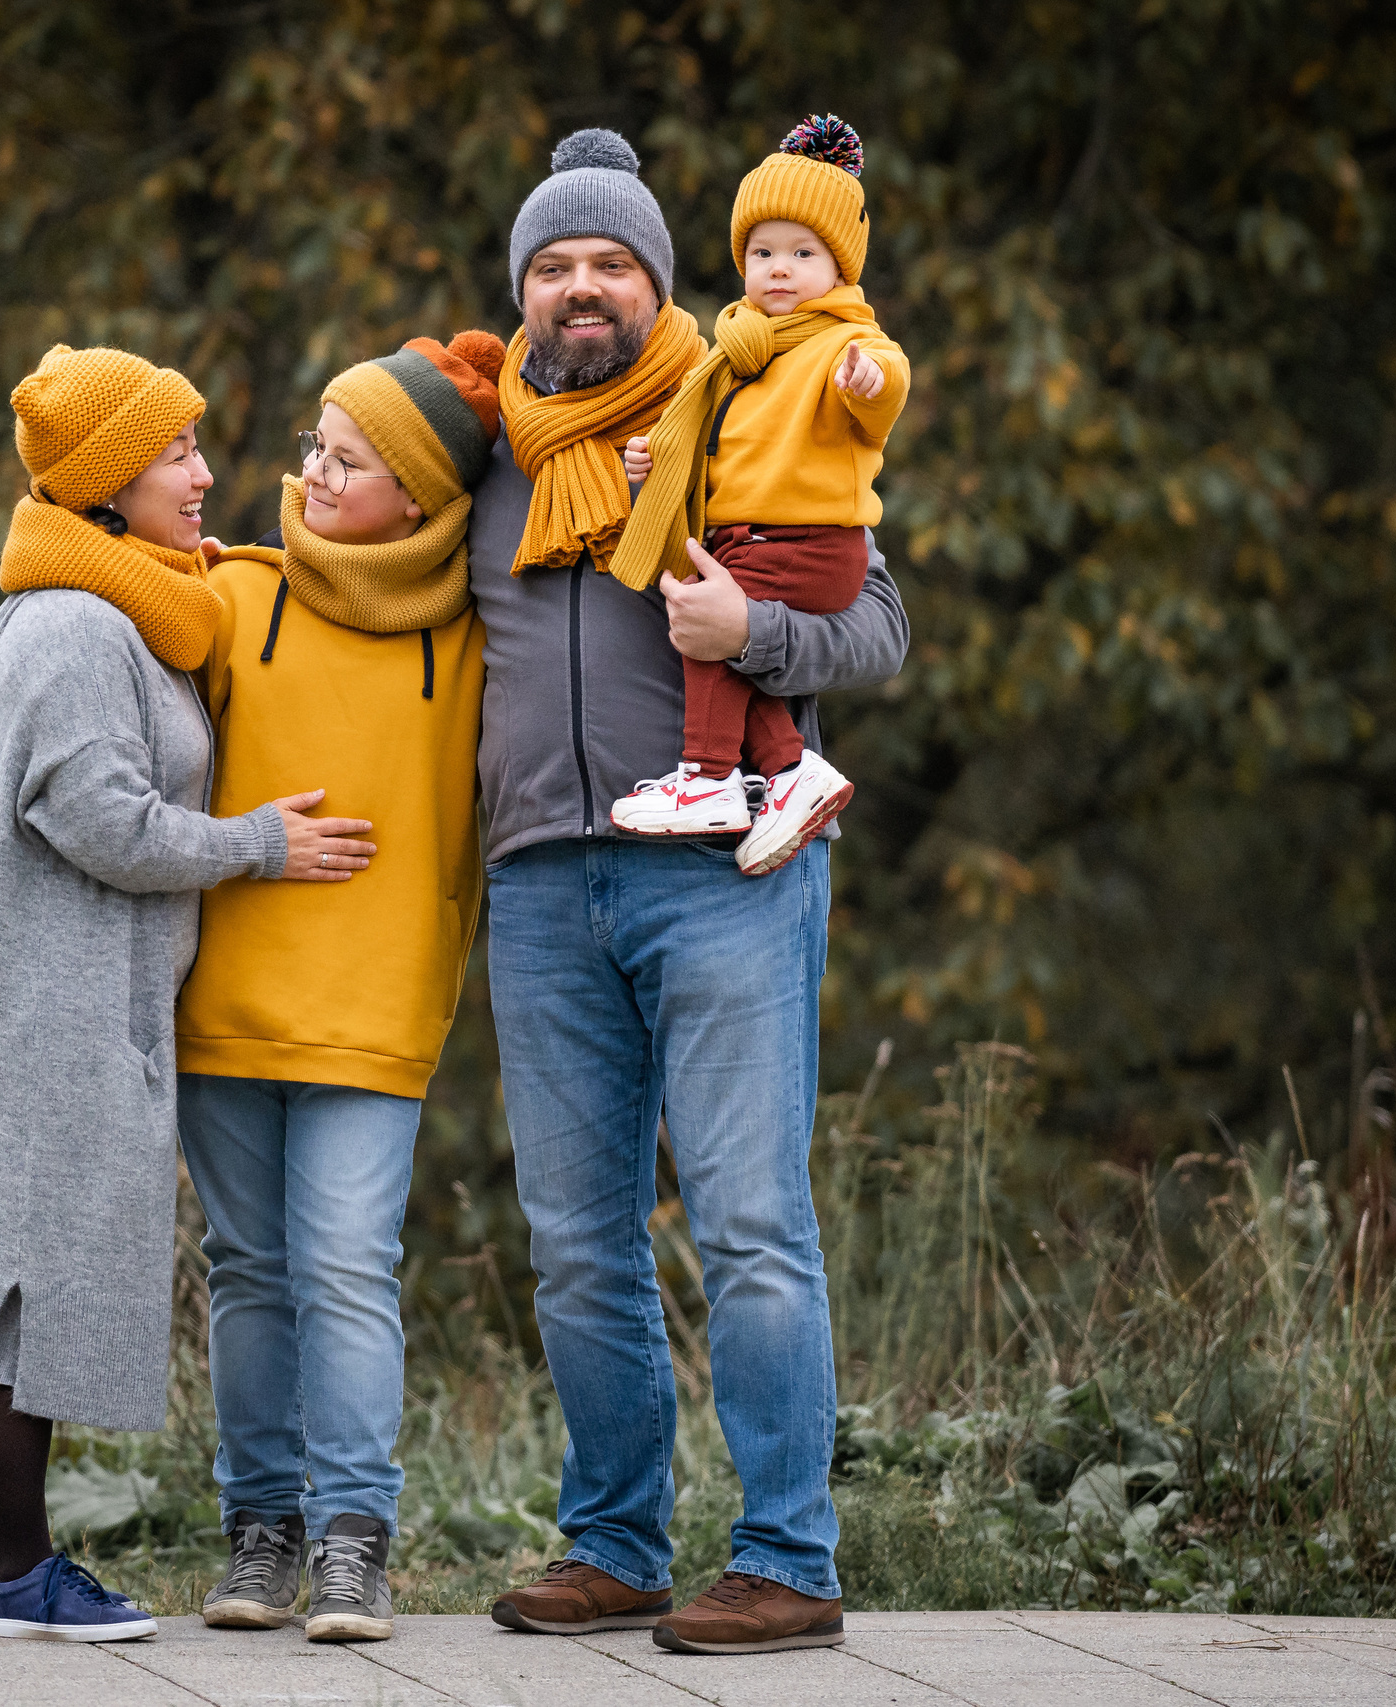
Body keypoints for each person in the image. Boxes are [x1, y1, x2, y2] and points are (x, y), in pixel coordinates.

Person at [467, 130, 909, 1656]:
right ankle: (616, 1542)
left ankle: (788, 1554)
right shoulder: (488, 454)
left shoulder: (745, 404)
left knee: (747, 1221)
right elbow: (327, 576)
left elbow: (879, 621)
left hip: (726, 870)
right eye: (553, 265)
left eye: (612, 264)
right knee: (579, 1237)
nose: (581, 288)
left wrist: (750, 634)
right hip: (536, 881)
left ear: (662, 283)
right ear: (522, 290)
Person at [0, 343, 376, 1642]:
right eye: (177, 452)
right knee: (17, 1291)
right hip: (44, 1015)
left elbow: (41, 792)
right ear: (111, 481)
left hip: (72, 1003)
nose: (205, 472)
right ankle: (19, 1576)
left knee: (4, 1280)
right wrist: (256, 843)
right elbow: (101, 817)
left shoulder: (117, 609)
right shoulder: (72, 620)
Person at [175, 331, 504, 1644]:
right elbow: (112, 728)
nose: (312, 471)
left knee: (346, 1266)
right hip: (228, 994)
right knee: (248, 1268)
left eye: (348, 458)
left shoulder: (483, 629)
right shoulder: (230, 594)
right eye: (317, 443)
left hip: (378, 1001)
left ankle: (356, 1541)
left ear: (421, 499)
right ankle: (261, 1531)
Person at [611, 113, 910, 876]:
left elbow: (885, 382)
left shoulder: (844, 340)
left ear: (840, 270)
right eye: (762, 252)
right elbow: (717, 454)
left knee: (712, 627)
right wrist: (660, 467)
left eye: (803, 253)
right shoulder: (737, 355)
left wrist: (870, 385)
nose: (780, 268)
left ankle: (709, 778)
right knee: (718, 628)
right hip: (751, 533)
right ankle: (792, 771)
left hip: (808, 542)